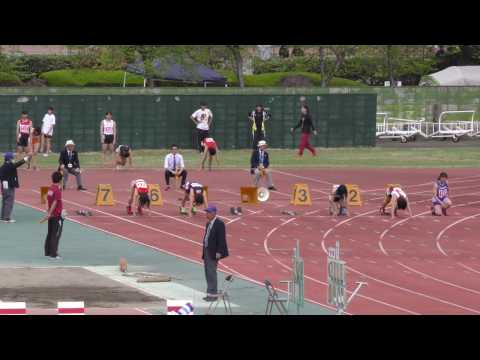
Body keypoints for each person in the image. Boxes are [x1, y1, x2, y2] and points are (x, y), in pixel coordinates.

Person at [201, 205, 229, 302]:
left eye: (208, 212)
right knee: (207, 272)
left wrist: (219, 252)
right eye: (206, 212)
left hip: (214, 252)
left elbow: (221, 239)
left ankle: (213, 295)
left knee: (212, 272)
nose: (206, 214)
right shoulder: (208, 223)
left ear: (214, 213)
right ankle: (209, 293)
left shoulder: (219, 224)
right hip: (207, 250)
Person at [40, 171, 64, 259]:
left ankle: (47, 252)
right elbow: (55, 202)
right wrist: (50, 212)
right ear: (60, 180)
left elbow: (46, 199)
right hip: (56, 215)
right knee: (56, 234)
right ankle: (53, 254)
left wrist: (48, 211)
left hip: (51, 215)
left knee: (50, 233)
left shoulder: (51, 188)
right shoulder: (57, 190)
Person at [0, 152, 29, 223]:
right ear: (9, 159)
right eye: (12, 158)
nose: (13, 159)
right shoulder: (10, 165)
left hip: (4, 186)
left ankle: (3, 216)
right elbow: (17, 164)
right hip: (9, 186)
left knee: (5, 201)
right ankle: (6, 218)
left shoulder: (3, 166)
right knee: (9, 201)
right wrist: (26, 159)